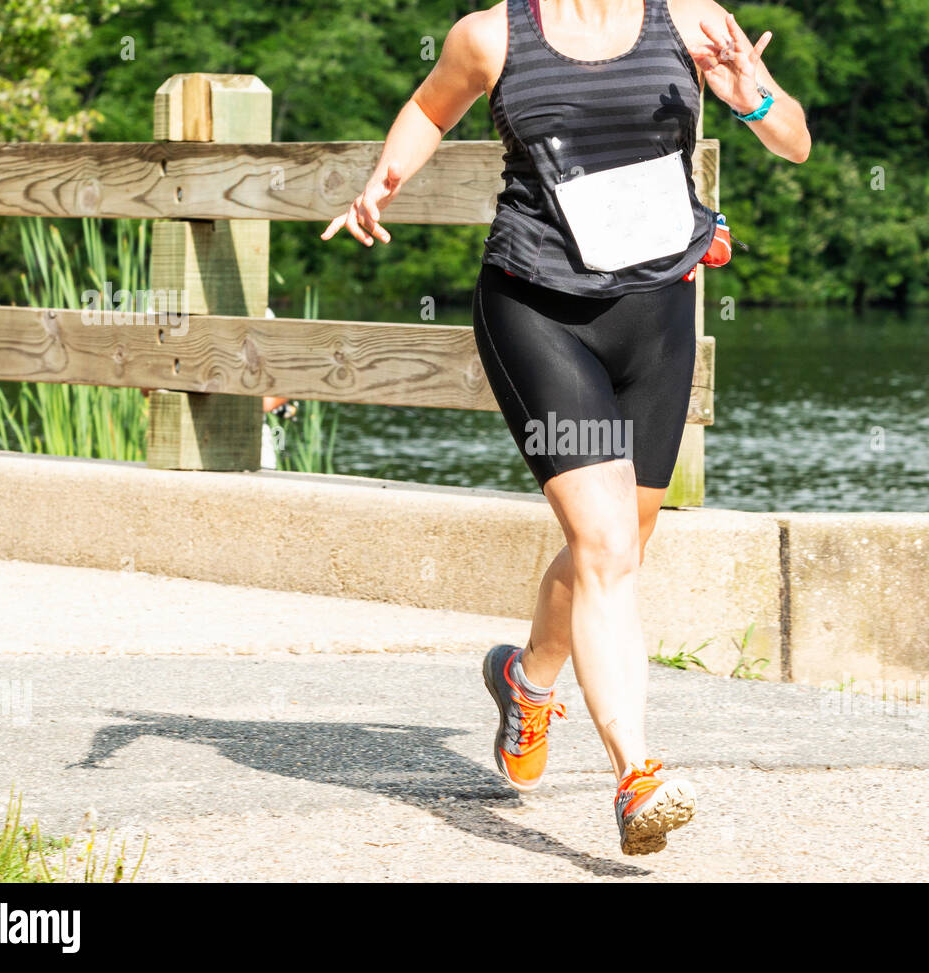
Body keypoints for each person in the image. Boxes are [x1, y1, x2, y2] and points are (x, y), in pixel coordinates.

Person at [322, 0, 809, 855]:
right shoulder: (492, 35)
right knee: (605, 541)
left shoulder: (693, 21)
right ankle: (637, 774)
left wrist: (751, 97)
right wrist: (382, 179)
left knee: (621, 540)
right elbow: (431, 107)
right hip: (538, 308)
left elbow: (796, 141)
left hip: (657, 310)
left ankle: (526, 678)